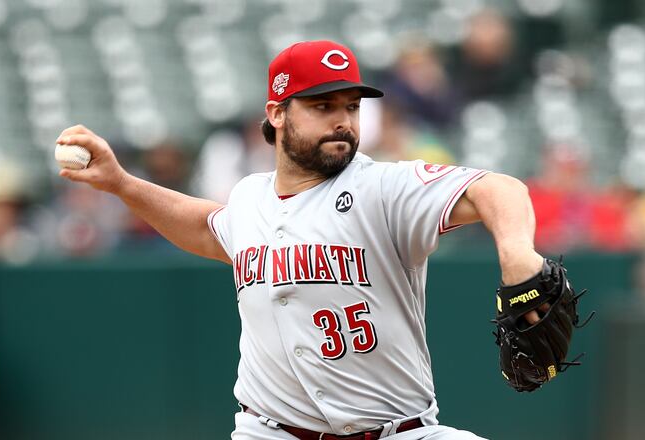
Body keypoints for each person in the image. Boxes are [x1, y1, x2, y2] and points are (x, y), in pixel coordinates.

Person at [56, 40, 549, 440]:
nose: (343, 120)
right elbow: (208, 230)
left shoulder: (382, 187)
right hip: (270, 432)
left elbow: (499, 189)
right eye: (322, 105)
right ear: (277, 113)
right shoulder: (249, 198)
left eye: (351, 107)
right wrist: (121, 183)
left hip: (399, 432)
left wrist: (516, 255)